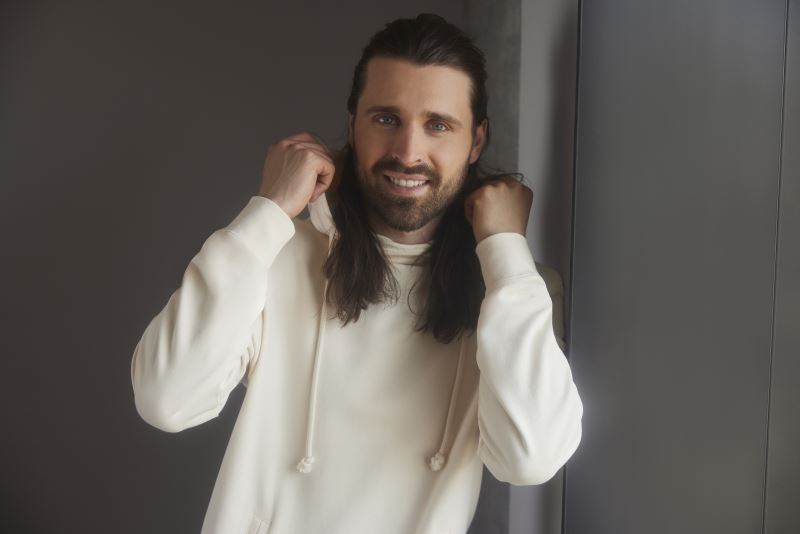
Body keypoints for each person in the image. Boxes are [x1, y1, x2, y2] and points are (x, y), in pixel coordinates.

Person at [130, 12, 583, 534]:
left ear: (476, 140)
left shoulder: (511, 291)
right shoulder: (273, 254)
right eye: (386, 119)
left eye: (438, 125)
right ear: (352, 126)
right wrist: (268, 211)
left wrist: (505, 251)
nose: (408, 153)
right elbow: (166, 399)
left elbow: (531, 459)